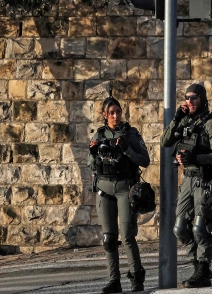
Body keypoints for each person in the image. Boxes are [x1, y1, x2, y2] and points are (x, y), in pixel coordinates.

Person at [161, 83, 212, 288]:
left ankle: (202, 269)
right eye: (187, 98)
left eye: (194, 98)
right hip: (188, 180)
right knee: (180, 229)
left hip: (204, 179)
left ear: (202, 99)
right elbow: (165, 141)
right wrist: (177, 119)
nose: (189, 101)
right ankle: (198, 264)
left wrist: (196, 157)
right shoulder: (185, 121)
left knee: (200, 228)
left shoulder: (211, 122)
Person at [89, 97, 150, 294]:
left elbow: (145, 160)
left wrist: (127, 149)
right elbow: (92, 165)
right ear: (105, 115)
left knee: (127, 236)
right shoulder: (99, 135)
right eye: (112, 113)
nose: (116, 116)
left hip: (125, 187)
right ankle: (114, 280)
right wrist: (93, 152)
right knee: (108, 238)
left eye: (118, 112)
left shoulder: (130, 134)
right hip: (104, 189)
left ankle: (136, 277)